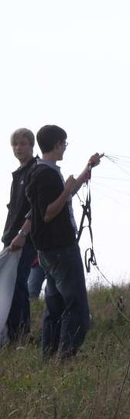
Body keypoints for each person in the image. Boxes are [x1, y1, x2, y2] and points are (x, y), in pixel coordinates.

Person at [19, 125, 102, 360]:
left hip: (48, 250)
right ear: (57, 144)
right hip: (60, 248)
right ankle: (65, 357)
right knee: (76, 308)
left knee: (54, 306)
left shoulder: (42, 171)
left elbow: (64, 194)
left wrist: (88, 167)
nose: (65, 147)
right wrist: (66, 191)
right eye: (64, 143)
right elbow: (48, 212)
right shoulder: (46, 175)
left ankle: (50, 356)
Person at [2, 128, 39, 343]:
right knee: (9, 284)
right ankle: (12, 331)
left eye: (23, 144)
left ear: (32, 145)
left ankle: (22, 332)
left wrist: (22, 234)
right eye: (15, 145)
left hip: (24, 237)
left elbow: (35, 208)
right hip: (10, 236)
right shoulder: (19, 174)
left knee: (18, 284)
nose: (18, 148)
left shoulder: (35, 170)